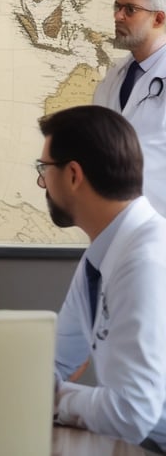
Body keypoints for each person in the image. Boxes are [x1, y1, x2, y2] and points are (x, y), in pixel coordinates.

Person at [37, 105, 166, 450]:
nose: (40, 182)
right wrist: (35, 388)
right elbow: (56, 361)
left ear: (74, 175)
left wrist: (59, 399)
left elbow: (132, 412)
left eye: (44, 169)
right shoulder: (100, 258)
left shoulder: (146, 259)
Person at [93, 0, 166, 215]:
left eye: (130, 9)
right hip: (118, 224)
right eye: (117, 6)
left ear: (158, 19)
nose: (118, 16)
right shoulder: (113, 78)